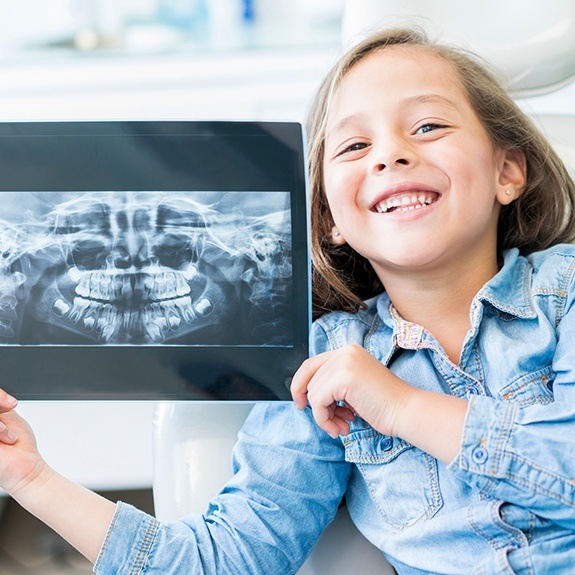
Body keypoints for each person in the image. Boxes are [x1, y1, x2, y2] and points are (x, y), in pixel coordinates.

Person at [1, 26, 575, 574]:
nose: (389, 154)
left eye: (427, 127)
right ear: (329, 219)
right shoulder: (322, 365)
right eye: (354, 144)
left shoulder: (567, 291)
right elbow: (226, 561)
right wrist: (32, 478)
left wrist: (400, 407)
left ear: (508, 171)